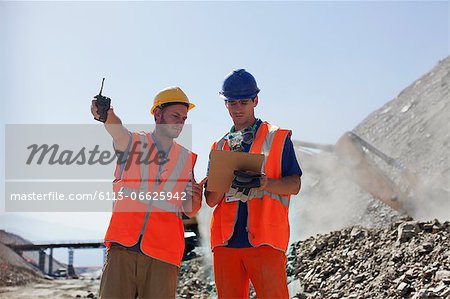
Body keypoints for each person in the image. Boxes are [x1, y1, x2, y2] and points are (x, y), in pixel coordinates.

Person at [91, 86, 205, 298]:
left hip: (163, 254)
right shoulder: (134, 143)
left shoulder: (185, 159)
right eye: (175, 116)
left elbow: (189, 209)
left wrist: (196, 198)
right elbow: (116, 128)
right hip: (123, 248)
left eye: (184, 118)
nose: (180, 122)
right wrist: (106, 113)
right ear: (158, 114)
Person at [205, 69, 302, 298]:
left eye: (243, 102)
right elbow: (211, 201)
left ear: (255, 101)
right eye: (232, 103)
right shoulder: (219, 147)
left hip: (266, 240)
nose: (237, 108)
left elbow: (294, 185)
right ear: (225, 104)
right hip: (226, 243)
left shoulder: (276, 138)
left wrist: (265, 183)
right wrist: (222, 178)